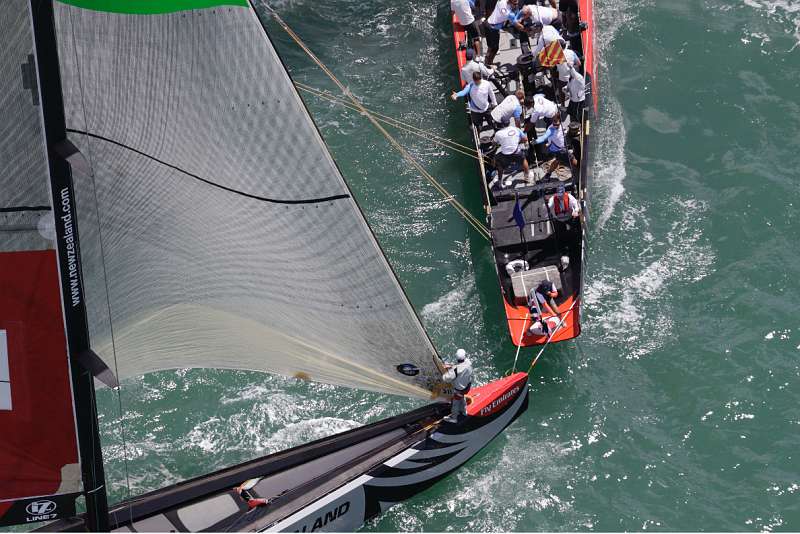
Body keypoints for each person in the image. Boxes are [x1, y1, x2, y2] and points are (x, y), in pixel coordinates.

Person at [483, 0, 520, 66]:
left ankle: (487, 62)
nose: (516, 6)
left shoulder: (501, 1)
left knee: (490, 47)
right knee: (494, 49)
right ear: (510, 2)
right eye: (515, 4)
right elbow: (517, 23)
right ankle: (488, 64)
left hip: (489, 25)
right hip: (492, 29)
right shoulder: (508, 13)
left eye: (517, 3)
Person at [442, 349, 473, 423]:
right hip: (467, 387)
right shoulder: (468, 362)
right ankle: (464, 411)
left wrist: (449, 370)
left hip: (459, 390)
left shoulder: (455, 370)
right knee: (462, 398)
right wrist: (451, 366)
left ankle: (454, 418)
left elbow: (445, 378)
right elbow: (461, 366)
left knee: (455, 403)